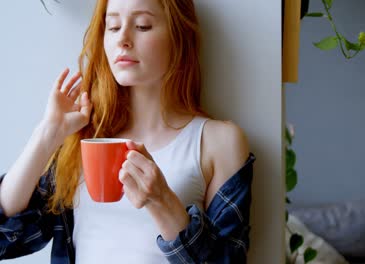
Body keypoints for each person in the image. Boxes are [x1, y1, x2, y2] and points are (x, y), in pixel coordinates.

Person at [0, 0, 255, 263]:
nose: (123, 39)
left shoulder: (218, 142)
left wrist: (163, 202)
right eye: (112, 27)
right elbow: (5, 239)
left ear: (178, 35)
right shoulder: (82, 140)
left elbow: (230, 259)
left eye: (142, 26)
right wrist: (46, 136)